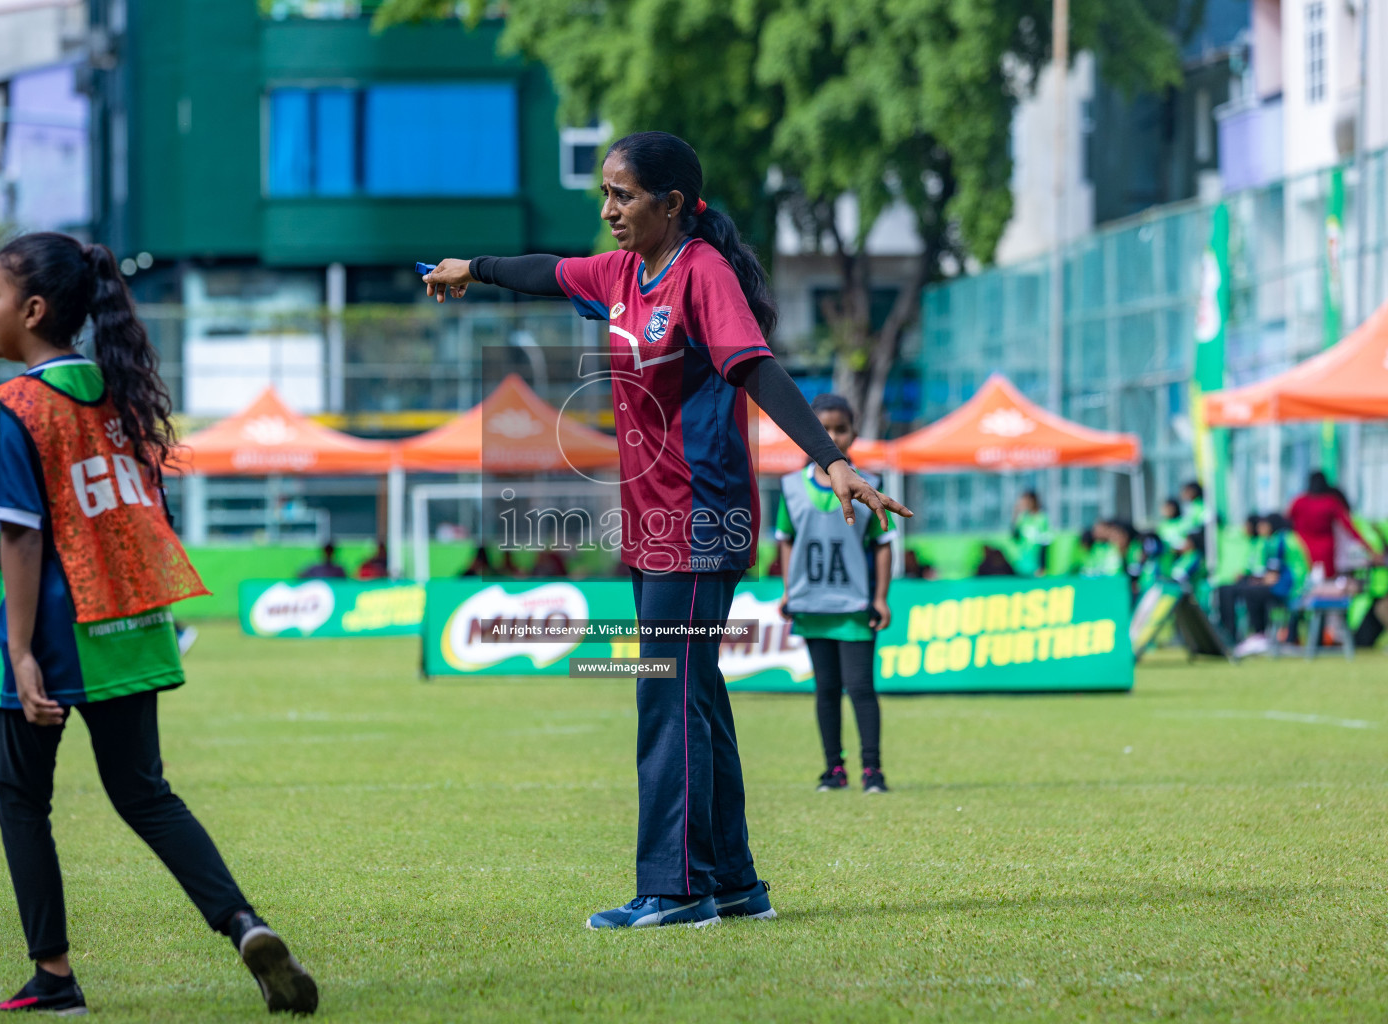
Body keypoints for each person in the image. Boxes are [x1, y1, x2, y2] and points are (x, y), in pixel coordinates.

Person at [421, 131, 910, 930]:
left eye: (624, 195)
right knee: (696, 692)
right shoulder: (619, 273)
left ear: (673, 204)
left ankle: (677, 890)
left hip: (702, 516)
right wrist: (469, 268)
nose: (609, 210)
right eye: (605, 195)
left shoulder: (702, 274)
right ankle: (734, 882)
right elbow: (546, 272)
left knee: (667, 692)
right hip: (652, 525)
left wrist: (829, 459)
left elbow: (757, 368)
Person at [0, 233, 317, 1015]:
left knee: (23, 799)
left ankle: (54, 978)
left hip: (56, 633)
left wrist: (19, 651)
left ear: (32, 311)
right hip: (132, 626)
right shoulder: (118, 389)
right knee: (147, 795)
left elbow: (21, 537)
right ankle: (243, 924)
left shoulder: (13, 408)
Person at [775, 393, 895, 796]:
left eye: (839, 428)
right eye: (822, 428)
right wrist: (790, 591)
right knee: (825, 690)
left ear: (854, 434)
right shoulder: (791, 488)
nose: (831, 436)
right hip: (812, 605)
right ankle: (833, 770)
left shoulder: (871, 486)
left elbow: (882, 546)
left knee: (860, 688)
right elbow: (787, 541)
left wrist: (880, 597)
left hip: (854, 606)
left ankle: (872, 771)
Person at [1213, 513, 1294, 656]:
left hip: (1292, 588)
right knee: (1240, 589)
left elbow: (1274, 576)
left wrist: (1258, 579)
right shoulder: (1272, 540)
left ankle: (1259, 634)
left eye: (1263, 525)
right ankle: (1243, 634)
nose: (1260, 528)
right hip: (1283, 584)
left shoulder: (1280, 541)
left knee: (1250, 591)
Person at [1288, 471, 1373, 577]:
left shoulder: (1299, 502)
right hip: (1325, 549)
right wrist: (1369, 548)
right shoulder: (1331, 502)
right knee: (1327, 581)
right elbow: (1349, 526)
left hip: (1302, 546)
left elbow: (1287, 521)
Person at [1008, 491, 1052, 576]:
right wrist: (1015, 517)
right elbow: (1015, 537)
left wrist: (1042, 566)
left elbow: (1045, 543)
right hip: (1021, 564)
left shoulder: (1042, 519)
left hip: (1036, 565)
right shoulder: (1023, 518)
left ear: (1033, 501)